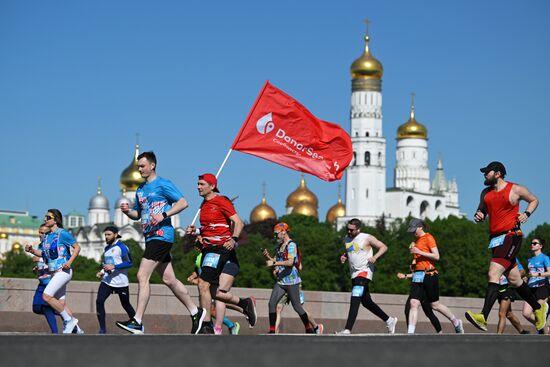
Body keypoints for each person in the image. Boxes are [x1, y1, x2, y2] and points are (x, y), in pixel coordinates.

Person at [116, 151, 205, 334]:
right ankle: (196, 313)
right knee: (169, 279)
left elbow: (183, 202)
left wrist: (164, 214)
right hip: (150, 237)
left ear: (152, 165)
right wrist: (127, 212)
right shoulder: (140, 190)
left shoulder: (163, 184)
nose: (139, 169)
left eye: (142, 166)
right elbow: (138, 215)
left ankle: (137, 321)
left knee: (142, 276)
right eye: (138, 166)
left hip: (162, 235)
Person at [465, 161, 547, 332]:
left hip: (511, 236)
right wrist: (479, 214)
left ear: (498, 173)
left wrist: (526, 213)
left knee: (493, 272)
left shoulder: (515, 189)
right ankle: (539, 310)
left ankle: (483, 317)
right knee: (515, 279)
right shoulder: (485, 193)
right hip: (495, 240)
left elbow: (534, 200)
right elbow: (481, 210)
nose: (484, 175)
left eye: (487, 172)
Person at [187, 173, 256, 334]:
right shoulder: (203, 205)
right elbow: (209, 228)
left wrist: (234, 239)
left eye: (202, 184)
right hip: (208, 249)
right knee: (213, 292)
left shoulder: (222, 201)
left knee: (203, 284)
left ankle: (206, 325)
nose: (198, 187)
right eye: (198, 184)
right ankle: (244, 303)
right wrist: (196, 230)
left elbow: (238, 222)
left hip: (220, 249)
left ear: (212, 186)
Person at [336, 218, 397, 335]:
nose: (349, 232)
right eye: (347, 229)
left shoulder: (367, 237)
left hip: (364, 271)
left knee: (355, 297)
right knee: (366, 302)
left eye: (351, 230)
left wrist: (375, 257)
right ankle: (389, 320)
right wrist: (344, 256)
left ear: (358, 229)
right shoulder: (346, 239)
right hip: (354, 274)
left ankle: (347, 329)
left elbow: (384, 247)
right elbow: (352, 251)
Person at [25, 209, 82, 334]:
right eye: (45, 217)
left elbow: (77, 247)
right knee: (61, 303)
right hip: (54, 272)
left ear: (55, 219)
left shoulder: (62, 233)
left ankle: (69, 321)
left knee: (46, 296)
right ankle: (77, 329)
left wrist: (70, 262)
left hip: (63, 271)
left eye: (48, 217)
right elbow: (44, 255)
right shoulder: (48, 237)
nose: (45, 219)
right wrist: (32, 251)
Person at [404, 218, 464, 334]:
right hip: (418, 275)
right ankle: (410, 333)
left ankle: (456, 322)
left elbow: (437, 256)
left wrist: (419, 252)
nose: (412, 232)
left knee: (435, 305)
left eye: (414, 230)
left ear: (420, 227)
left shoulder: (428, 238)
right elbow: (419, 260)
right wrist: (413, 264)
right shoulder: (416, 241)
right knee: (414, 303)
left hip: (430, 275)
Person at [263, 222, 316, 334]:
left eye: (276, 233)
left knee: (297, 307)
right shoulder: (279, 246)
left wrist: (274, 263)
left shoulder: (291, 245)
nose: (275, 236)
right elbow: (277, 260)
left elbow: (290, 262)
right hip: (282, 280)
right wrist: (268, 257)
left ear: (284, 232)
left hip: (292, 281)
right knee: (272, 303)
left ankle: (308, 328)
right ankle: (272, 331)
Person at [186, 241, 241, 335]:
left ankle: (228, 325)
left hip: (211, 286)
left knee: (210, 310)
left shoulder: (212, 253)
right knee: (208, 310)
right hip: (204, 288)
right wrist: (193, 277)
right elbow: (199, 270)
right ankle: (212, 327)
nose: (197, 245)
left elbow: (212, 272)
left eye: (198, 241)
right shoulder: (201, 255)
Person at [95, 226, 136, 334]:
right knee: (99, 301)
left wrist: (114, 267)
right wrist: (102, 272)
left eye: (109, 234)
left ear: (116, 234)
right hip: (107, 281)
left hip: (121, 282)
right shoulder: (106, 248)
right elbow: (108, 264)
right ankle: (102, 330)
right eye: (105, 235)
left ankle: (137, 324)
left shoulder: (122, 247)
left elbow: (130, 263)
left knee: (126, 304)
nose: (106, 237)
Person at [30, 224, 60, 333]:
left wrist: (39, 259)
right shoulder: (39, 246)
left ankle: (55, 332)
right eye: (39, 232)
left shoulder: (52, 245)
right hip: (42, 281)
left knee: (45, 307)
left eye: (43, 233)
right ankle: (67, 317)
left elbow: (55, 262)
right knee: (36, 307)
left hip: (51, 281)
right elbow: (42, 262)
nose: (40, 235)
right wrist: (37, 268)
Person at [521, 238, 550, 334]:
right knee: (526, 313)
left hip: (542, 287)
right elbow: (530, 273)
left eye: (535, 243)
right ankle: (542, 327)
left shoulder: (545, 258)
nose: (532, 245)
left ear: (540, 246)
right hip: (531, 288)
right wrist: (526, 278)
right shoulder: (530, 260)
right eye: (531, 243)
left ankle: (545, 336)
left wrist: (537, 275)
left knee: (539, 312)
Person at [496, 259, 529, 334]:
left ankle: (498, 335)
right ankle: (522, 331)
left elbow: (522, 271)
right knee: (509, 314)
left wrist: (514, 278)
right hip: (499, 288)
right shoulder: (497, 258)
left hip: (508, 288)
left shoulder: (512, 257)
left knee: (502, 313)